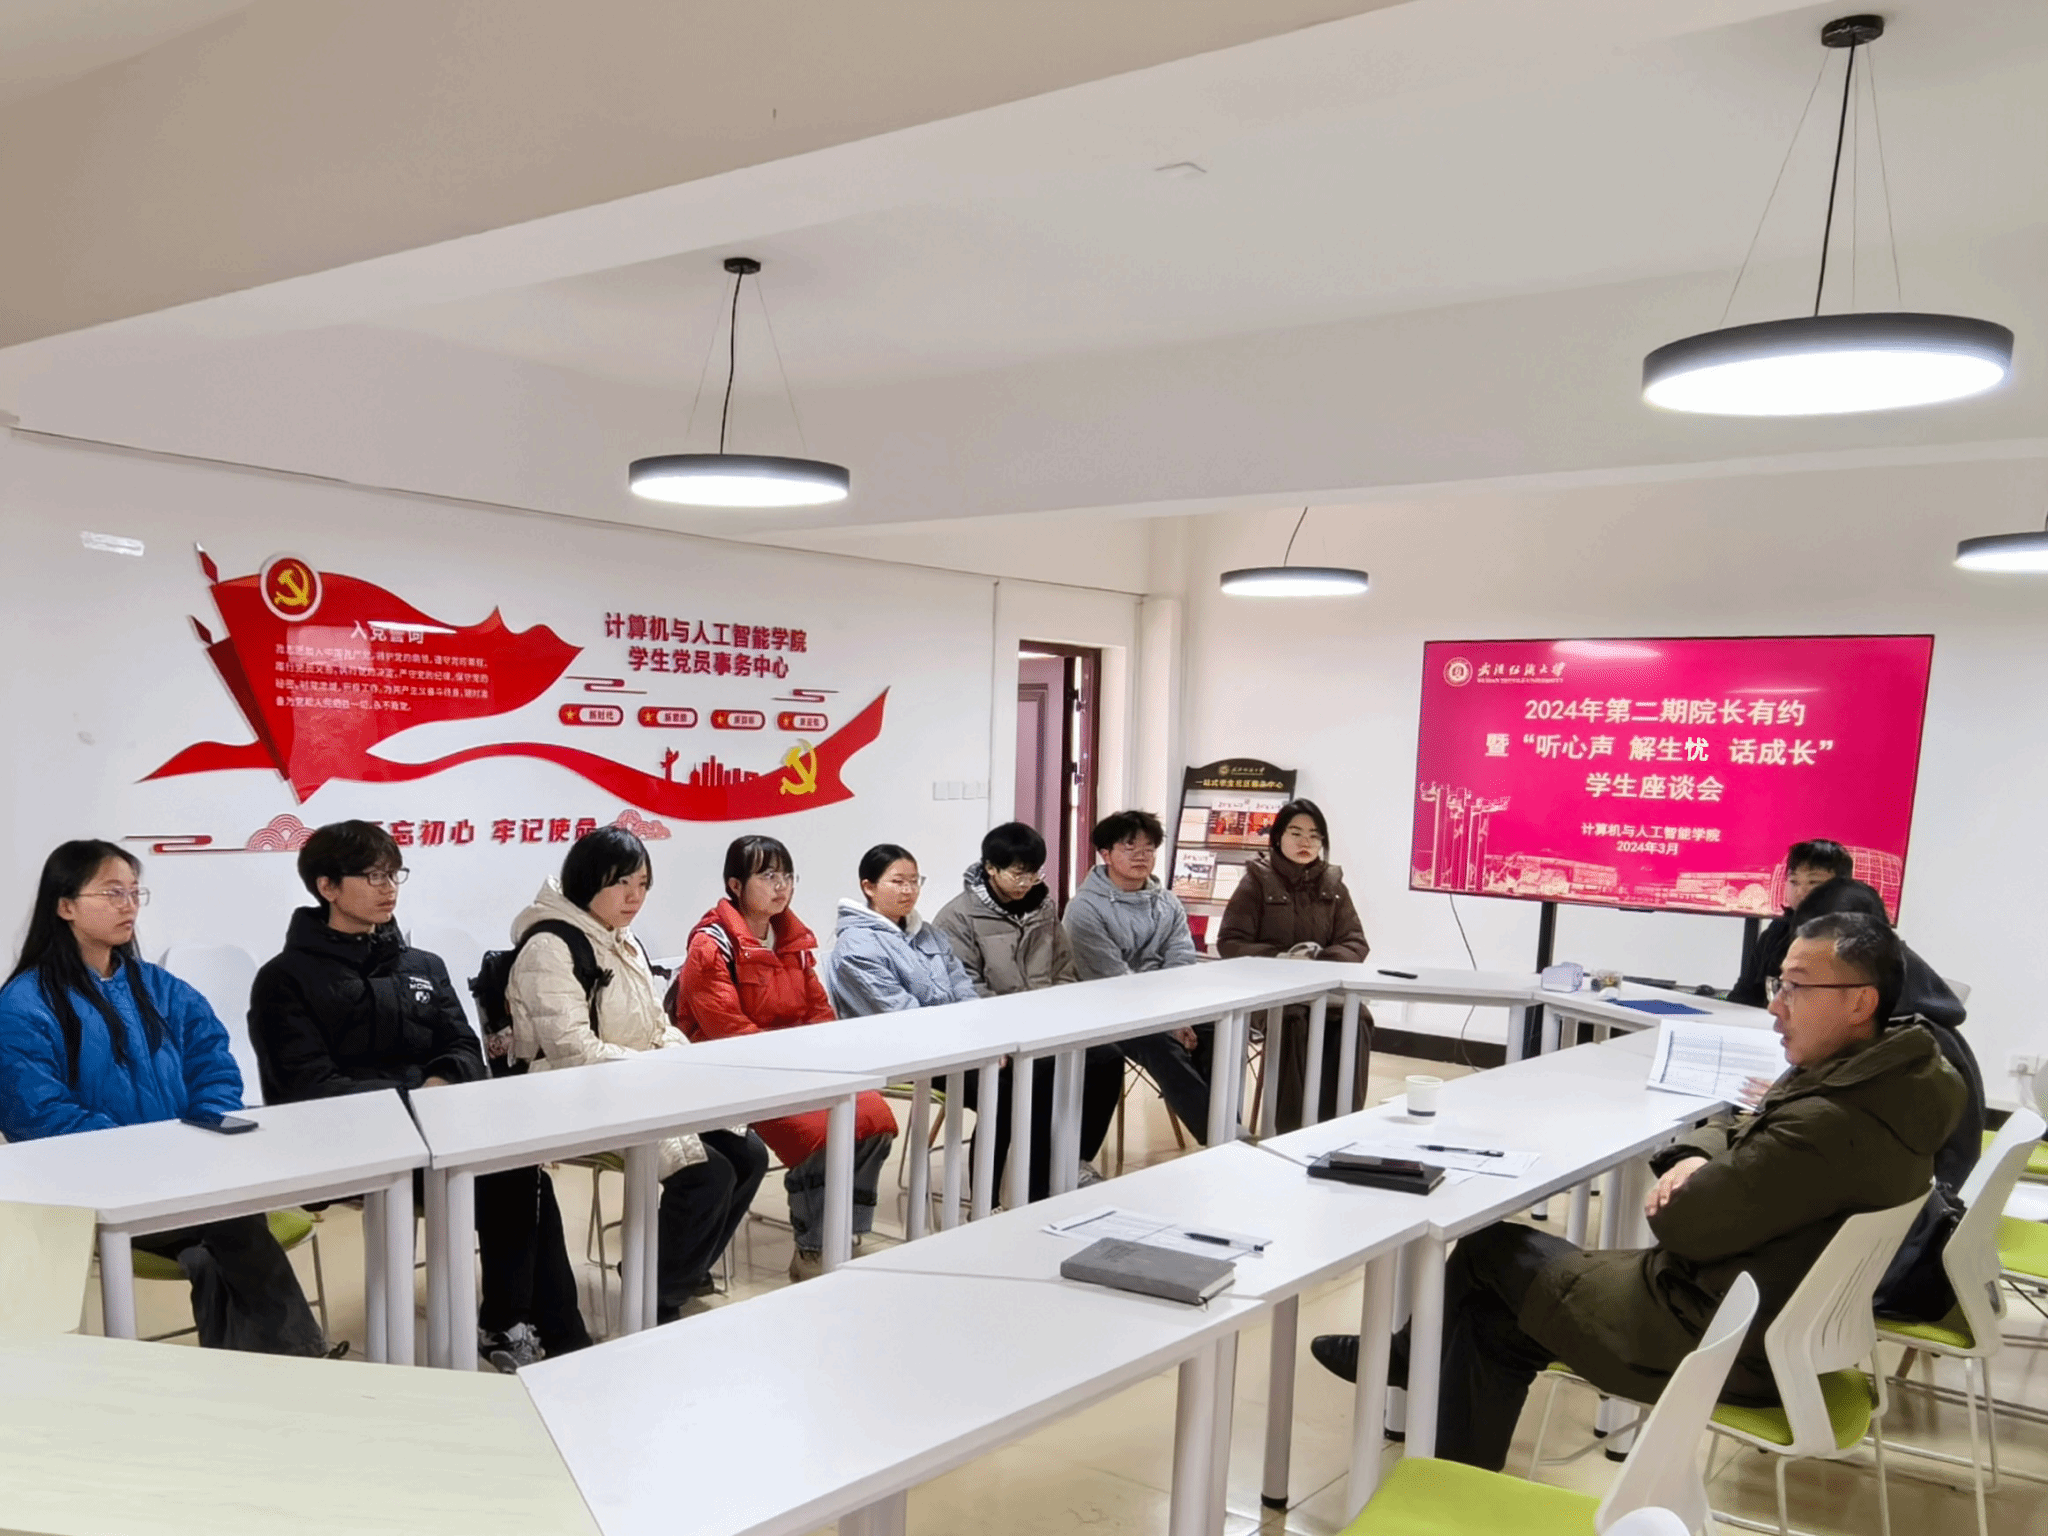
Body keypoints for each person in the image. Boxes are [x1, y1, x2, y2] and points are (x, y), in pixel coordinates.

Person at [1308, 912, 1965, 1472]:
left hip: (1713, 1336)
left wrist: (1694, 1160)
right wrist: (1705, 1152)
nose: (1776, 1006)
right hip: (1782, 1329)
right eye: (1778, 985)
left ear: (1860, 1003)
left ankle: (1405, 1364)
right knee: (1492, 1318)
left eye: (1795, 987)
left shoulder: (1828, 1121)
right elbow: (1755, 1120)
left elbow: (1684, 1223)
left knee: (1488, 1253)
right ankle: (1448, 1477)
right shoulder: (1900, 1082)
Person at [248, 819, 588, 1371]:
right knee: (508, 1181)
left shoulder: (422, 966)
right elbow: (307, 1087)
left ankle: (524, 1329)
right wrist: (417, 1102)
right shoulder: (285, 979)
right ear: (326, 886)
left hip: (441, 1132)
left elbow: (464, 1048)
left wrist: (438, 1087)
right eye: (372, 876)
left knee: (521, 1174)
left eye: (394, 874)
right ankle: (528, 1331)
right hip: (353, 1141)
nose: (388, 888)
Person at [0, 840, 324, 1356]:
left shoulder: (158, 986)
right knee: (233, 1220)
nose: (128, 905)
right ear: (64, 906)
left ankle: (269, 1363)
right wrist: (144, 1156)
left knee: (219, 1234)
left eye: (135, 892)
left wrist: (200, 1128)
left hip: (182, 1175)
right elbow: (37, 1114)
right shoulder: (24, 1003)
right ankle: (301, 1360)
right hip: (94, 1183)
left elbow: (212, 1059)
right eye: (112, 892)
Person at [506, 826, 768, 1323]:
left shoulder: (622, 939)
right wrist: (654, 1071)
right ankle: (658, 1294)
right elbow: (573, 1051)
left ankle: (672, 1270)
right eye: (621, 883)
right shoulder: (550, 947)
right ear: (587, 881)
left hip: (639, 1085)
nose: (635, 897)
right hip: (574, 1092)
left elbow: (657, 1025)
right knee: (706, 1174)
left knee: (748, 1154)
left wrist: (674, 1062)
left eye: (643, 884)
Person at [673, 834, 897, 1282]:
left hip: (798, 1068)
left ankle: (841, 1233)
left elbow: (818, 1010)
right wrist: (796, 1067)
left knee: (876, 1120)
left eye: (788, 876)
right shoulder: (711, 947)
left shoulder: (791, 937)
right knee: (820, 1134)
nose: (781, 886)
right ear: (735, 885)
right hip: (737, 1073)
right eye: (768, 876)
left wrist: (817, 1060)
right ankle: (814, 1250)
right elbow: (729, 1033)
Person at [933, 822, 1124, 1200]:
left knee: (1107, 1059)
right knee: (1032, 1079)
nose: (1026, 883)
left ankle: (1072, 1161)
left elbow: (1064, 969)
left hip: (1043, 1027)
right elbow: (966, 989)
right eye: (1017, 874)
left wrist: (1058, 1017)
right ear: (990, 868)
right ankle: (1005, 1196)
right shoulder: (958, 918)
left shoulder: (1043, 908)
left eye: (1033, 873)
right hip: (986, 1033)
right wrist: (1006, 1031)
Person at [1063, 809, 1220, 1143]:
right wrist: (1169, 1021)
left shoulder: (1168, 903)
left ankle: (1227, 1127)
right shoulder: (1084, 909)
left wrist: (1178, 1014)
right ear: (1105, 854)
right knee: (1158, 1042)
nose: (1141, 856)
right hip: (1106, 1010)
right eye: (1130, 847)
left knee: (1220, 1030)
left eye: (1149, 848)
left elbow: (1181, 960)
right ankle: (1221, 1137)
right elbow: (1113, 980)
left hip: (1165, 1006)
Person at [1215, 798, 1371, 1131]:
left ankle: (1340, 1125)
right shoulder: (1256, 881)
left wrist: (1318, 960)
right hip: (1270, 993)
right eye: (1296, 833)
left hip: (1323, 991)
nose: (1305, 843)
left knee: (1356, 1017)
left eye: (1314, 836)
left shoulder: (1334, 884)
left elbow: (1356, 943)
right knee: (1293, 1020)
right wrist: (1282, 959)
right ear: (1278, 838)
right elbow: (1230, 942)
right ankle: (1289, 1130)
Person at [823, 844, 979, 1016]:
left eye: (914, 881)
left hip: (955, 1026)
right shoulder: (856, 946)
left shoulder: (929, 933)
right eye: (898, 882)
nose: (909, 890)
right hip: (905, 1030)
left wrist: (973, 1017)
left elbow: (962, 986)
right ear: (869, 888)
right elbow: (901, 1014)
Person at [1729, 839, 1855, 1007]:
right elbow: (1743, 994)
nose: (1800, 891)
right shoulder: (1777, 930)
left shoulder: (1852, 937)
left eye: (1813, 882)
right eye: (1794, 881)